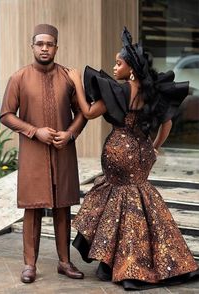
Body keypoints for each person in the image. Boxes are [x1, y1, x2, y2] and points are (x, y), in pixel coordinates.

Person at [67, 27, 199, 290]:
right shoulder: (149, 91)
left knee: (121, 204)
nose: (114, 68)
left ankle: (122, 264)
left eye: (119, 63)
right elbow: (168, 121)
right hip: (141, 152)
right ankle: (161, 261)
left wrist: (75, 82)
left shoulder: (120, 91)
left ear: (131, 67)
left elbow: (90, 112)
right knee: (140, 202)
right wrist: (155, 146)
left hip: (120, 151)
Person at [0, 24, 86, 283]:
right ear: (33, 46)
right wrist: (34, 131)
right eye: (40, 44)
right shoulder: (19, 78)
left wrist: (70, 133)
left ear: (56, 47)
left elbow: (83, 112)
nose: (45, 48)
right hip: (33, 153)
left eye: (50, 44)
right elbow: (6, 115)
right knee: (32, 207)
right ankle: (29, 265)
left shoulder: (68, 77)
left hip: (63, 151)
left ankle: (64, 262)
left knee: (63, 207)